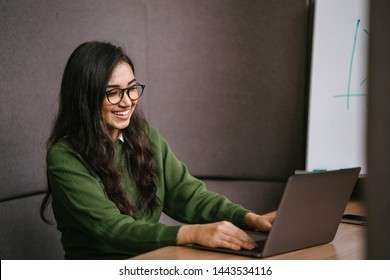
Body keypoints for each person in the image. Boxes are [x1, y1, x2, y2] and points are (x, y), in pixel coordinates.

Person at [40, 41, 274, 259]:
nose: (127, 101)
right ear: (85, 98)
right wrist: (190, 234)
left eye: (131, 88)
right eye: (113, 93)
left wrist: (249, 219)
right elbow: (110, 229)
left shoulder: (147, 138)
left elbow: (190, 197)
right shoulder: (65, 157)